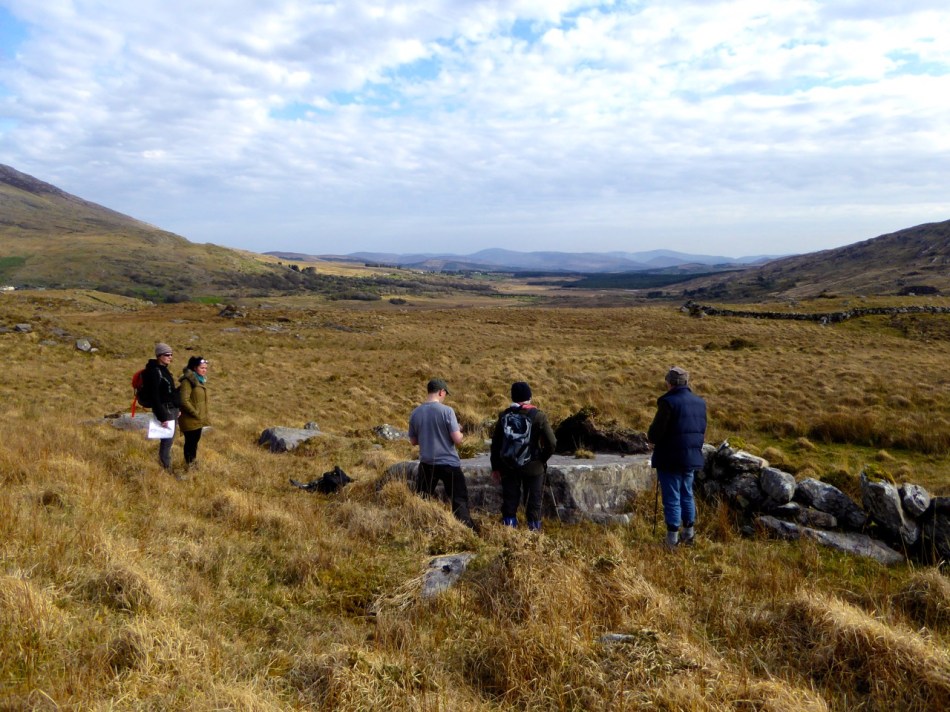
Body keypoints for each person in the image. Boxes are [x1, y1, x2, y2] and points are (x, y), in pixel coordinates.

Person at [647, 366, 707, 549]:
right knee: (687, 494)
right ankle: (689, 534)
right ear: (686, 382)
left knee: (672, 497)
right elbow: (701, 429)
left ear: (670, 383)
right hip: (691, 456)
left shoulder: (668, 402)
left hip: (670, 457)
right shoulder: (700, 402)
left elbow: (655, 434)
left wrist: (652, 436)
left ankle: (672, 540)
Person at [407, 378, 476, 530]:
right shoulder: (447, 411)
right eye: (445, 393)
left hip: (426, 463)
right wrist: (459, 431)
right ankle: (464, 529)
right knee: (458, 498)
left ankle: (421, 528)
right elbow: (457, 439)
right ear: (441, 392)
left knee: (423, 498)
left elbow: (413, 441)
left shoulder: (416, 413)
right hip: (449, 463)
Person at [490, 381, 557, 531]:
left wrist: (496, 467)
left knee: (510, 502)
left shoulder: (504, 416)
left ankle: (509, 532)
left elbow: (495, 445)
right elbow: (552, 443)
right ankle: (533, 535)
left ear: (513, 397)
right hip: (533, 467)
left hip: (508, 466)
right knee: (533, 502)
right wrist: (541, 459)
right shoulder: (538, 416)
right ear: (529, 397)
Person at [142, 342, 180, 472]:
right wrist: (162, 417)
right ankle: (166, 469)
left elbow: (170, 391)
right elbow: (155, 397)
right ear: (159, 356)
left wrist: (178, 408)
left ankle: (165, 466)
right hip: (165, 410)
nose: (170, 357)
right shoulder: (154, 372)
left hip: (172, 409)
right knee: (167, 440)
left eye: (171, 354)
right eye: (167, 355)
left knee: (170, 439)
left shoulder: (164, 370)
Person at [178, 355, 210, 470]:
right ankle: (189, 466)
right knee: (190, 443)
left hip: (197, 420)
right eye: (202, 368)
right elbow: (183, 400)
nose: (204, 370)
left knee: (194, 443)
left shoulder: (199, 381)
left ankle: (192, 464)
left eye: (206, 368)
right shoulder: (188, 381)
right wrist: (195, 413)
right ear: (195, 368)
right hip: (190, 419)